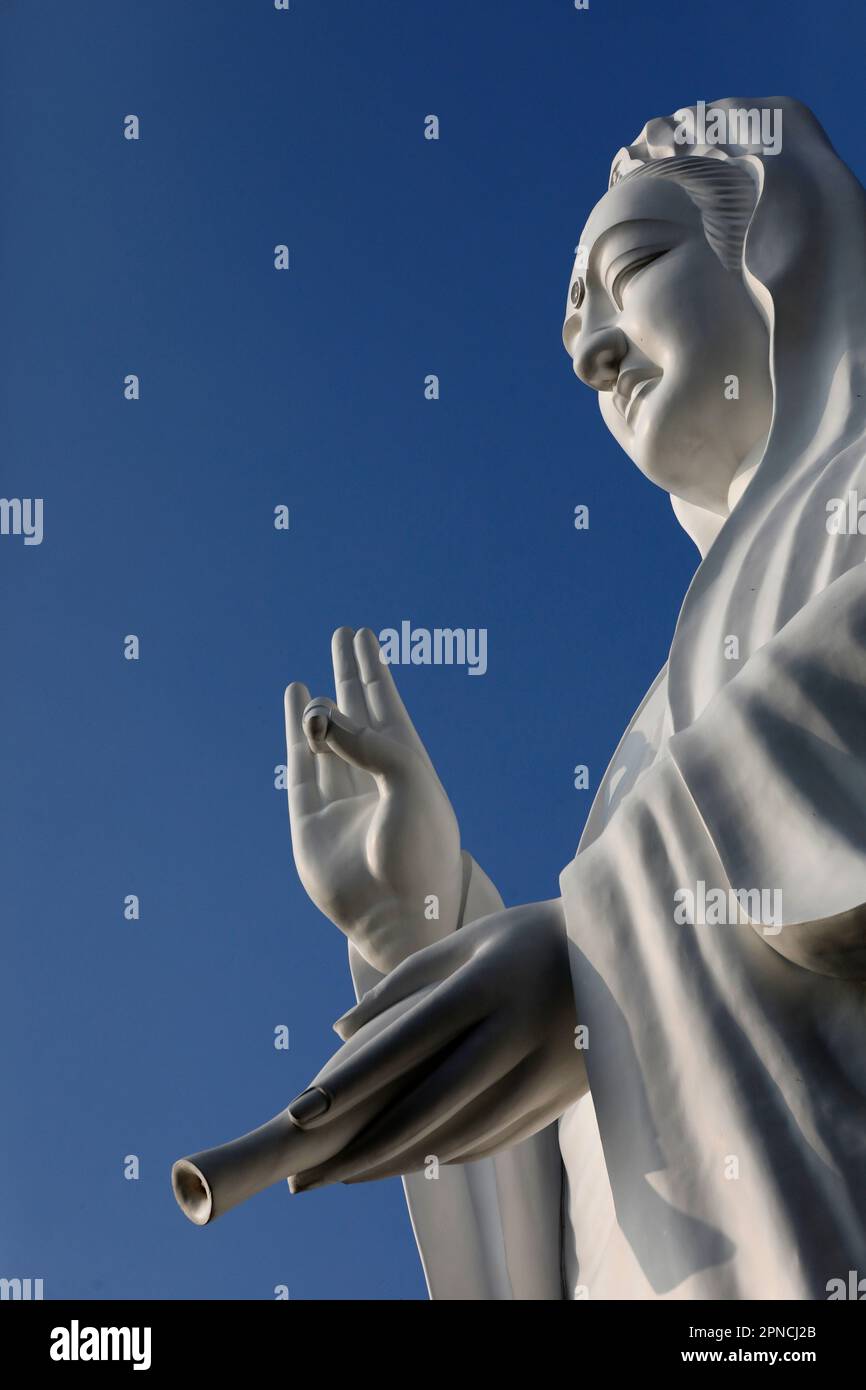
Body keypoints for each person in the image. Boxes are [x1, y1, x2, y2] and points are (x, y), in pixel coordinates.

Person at [283, 98, 866, 1300]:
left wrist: (592, 944)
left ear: (779, 251)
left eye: (629, 270)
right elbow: (595, 1211)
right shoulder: (657, 735)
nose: (594, 354)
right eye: (572, 336)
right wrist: (415, 927)